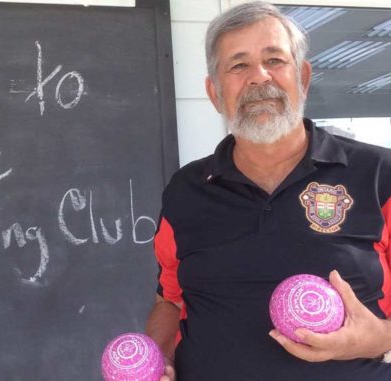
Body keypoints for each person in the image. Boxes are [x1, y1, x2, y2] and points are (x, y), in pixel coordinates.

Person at [145, 2, 391, 380]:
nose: (259, 77)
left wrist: (376, 339)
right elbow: (168, 298)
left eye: (274, 60)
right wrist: (158, 359)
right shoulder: (185, 190)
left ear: (303, 77)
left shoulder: (379, 175)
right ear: (214, 92)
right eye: (239, 65)